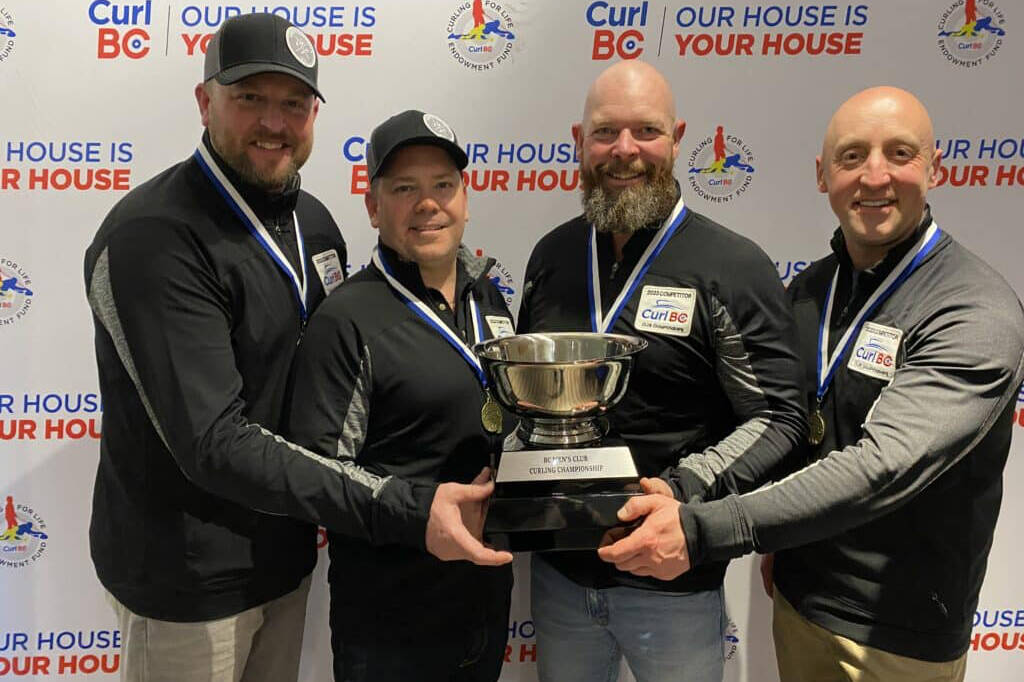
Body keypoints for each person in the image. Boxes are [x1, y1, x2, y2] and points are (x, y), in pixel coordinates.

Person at [85, 14, 506, 682]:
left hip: (284, 558)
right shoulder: (153, 238)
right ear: (205, 101)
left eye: (294, 103)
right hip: (187, 584)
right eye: (250, 98)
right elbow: (213, 441)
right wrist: (403, 505)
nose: (274, 123)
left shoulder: (311, 222)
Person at [599, 86, 1024, 681]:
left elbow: (882, 465)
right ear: (822, 176)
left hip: (898, 631)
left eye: (899, 154)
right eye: (852, 157)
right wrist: (776, 541)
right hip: (798, 601)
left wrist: (703, 529)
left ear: (935, 168)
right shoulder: (809, 293)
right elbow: (787, 424)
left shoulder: (974, 309)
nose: (874, 177)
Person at [517, 60, 806, 682]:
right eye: (605, 132)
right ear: (579, 141)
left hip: (673, 580)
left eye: (645, 131)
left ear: (677, 139)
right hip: (560, 575)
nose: (625, 151)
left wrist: (681, 490)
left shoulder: (731, 266)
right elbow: (525, 408)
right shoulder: (552, 256)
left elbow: (780, 416)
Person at [285, 110, 515, 682]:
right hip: (393, 625)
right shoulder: (347, 320)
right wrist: (415, 515)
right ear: (372, 206)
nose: (427, 203)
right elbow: (318, 477)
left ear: (466, 196)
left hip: (485, 604)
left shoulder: (491, 301)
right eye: (404, 189)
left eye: (442, 186)